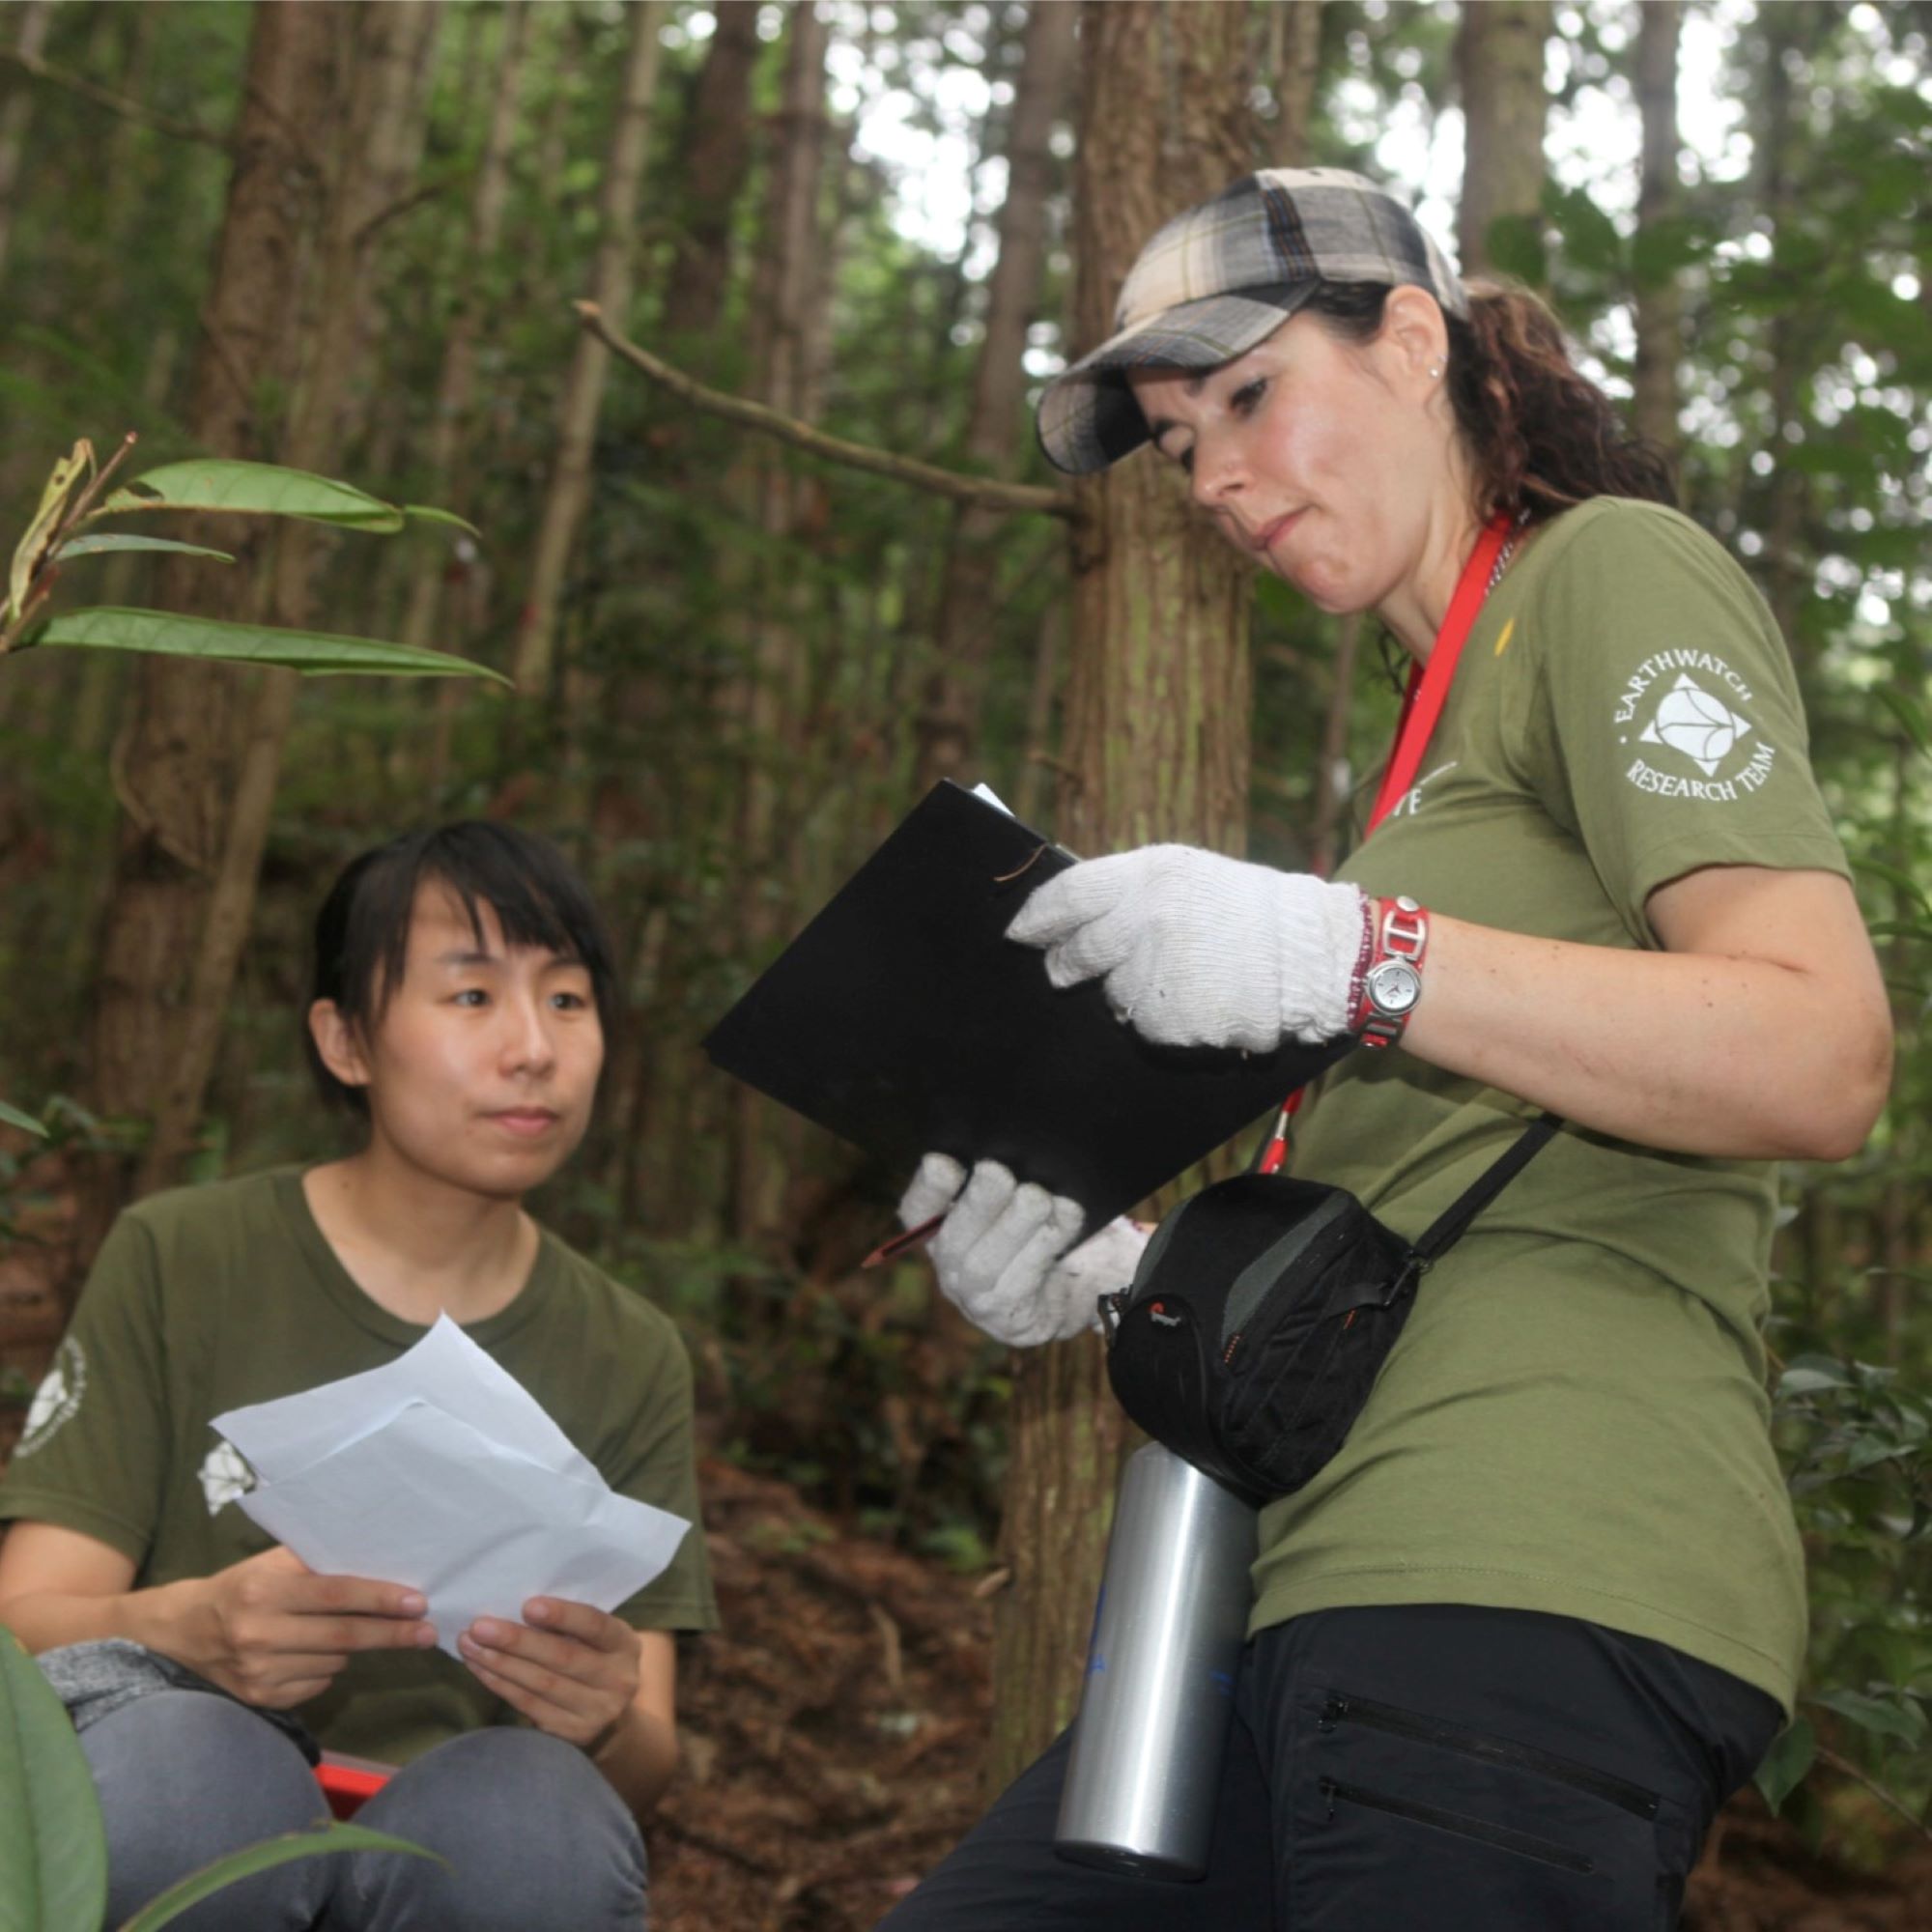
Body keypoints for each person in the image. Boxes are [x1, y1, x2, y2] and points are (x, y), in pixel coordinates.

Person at [883, 168, 1892, 1930]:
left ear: (1412, 339)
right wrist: (1114, 1281)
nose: (1210, 478)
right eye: (1182, 441)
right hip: (1285, 1599)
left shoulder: (1608, 575)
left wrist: (1356, 950)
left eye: (1249, 398)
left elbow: (1817, 1051)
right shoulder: (1425, 766)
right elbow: (1424, 1201)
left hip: (1520, 1575)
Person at [0, 822, 717, 1930]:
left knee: (539, 1822)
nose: (533, 1046)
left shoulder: (624, 1347)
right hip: (189, 1805)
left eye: (567, 999)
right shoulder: (187, 1255)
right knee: (190, 1772)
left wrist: (603, 1714)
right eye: (472, 996)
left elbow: (640, 1756)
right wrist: (189, 1627)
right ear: (343, 1040)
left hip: (451, 1836)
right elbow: (22, 1627)